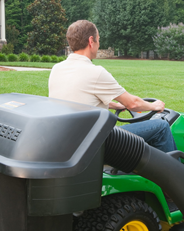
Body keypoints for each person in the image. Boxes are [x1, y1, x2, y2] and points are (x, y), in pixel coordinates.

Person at [48, 20, 176, 153]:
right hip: (97, 142)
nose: (99, 44)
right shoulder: (95, 72)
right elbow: (133, 103)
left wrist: (116, 105)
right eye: (98, 40)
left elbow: (78, 100)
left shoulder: (57, 69)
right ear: (91, 41)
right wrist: (154, 106)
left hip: (72, 140)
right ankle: (176, 173)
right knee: (161, 127)